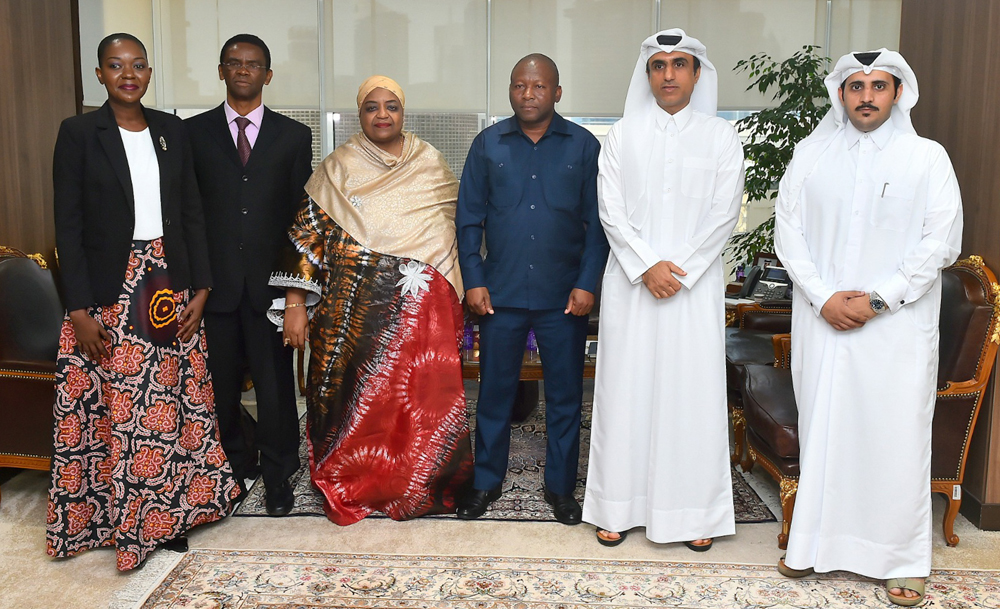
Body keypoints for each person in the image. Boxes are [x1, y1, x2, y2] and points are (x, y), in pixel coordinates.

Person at [773, 49, 962, 606]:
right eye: (856, 86)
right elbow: (789, 233)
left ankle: (902, 560)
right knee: (825, 432)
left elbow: (940, 243)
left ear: (898, 93)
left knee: (894, 440)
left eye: (879, 85)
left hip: (896, 330)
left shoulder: (927, 158)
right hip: (822, 321)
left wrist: (878, 299)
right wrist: (823, 296)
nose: (867, 96)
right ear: (841, 94)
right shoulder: (810, 156)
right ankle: (812, 546)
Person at [47, 33, 239, 571]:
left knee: (172, 401)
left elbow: (191, 210)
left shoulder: (171, 130)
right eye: (116, 65)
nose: (128, 74)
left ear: (149, 72)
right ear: (100, 74)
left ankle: (170, 515)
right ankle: (117, 522)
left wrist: (202, 287)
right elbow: (68, 224)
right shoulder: (78, 133)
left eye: (137, 65)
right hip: (109, 289)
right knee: (122, 409)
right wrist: (78, 308)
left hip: (169, 280)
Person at [275, 76, 473, 524]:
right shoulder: (337, 168)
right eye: (371, 107)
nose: (382, 115)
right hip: (350, 316)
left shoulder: (429, 163)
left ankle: (418, 486)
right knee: (356, 402)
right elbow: (304, 238)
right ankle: (354, 483)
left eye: (391, 106)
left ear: (403, 112)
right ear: (359, 114)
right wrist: (294, 303)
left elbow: (452, 232)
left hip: (419, 315)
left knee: (415, 402)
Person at [582, 29, 745, 551]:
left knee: (691, 397)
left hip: (693, 291)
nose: (669, 74)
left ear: (696, 74)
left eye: (679, 64)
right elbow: (610, 210)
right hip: (633, 286)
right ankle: (616, 506)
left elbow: (725, 213)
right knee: (625, 394)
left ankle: (694, 515)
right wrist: (647, 266)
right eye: (659, 65)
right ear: (648, 74)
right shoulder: (622, 135)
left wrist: (681, 270)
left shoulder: (721, 138)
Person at [455, 54, 608, 524]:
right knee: (494, 395)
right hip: (499, 295)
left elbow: (599, 224)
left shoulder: (584, 146)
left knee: (565, 399)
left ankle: (561, 489)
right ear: (510, 90)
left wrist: (587, 283)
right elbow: (468, 219)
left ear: (557, 92)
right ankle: (486, 482)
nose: (528, 93)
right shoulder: (487, 144)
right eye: (519, 85)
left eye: (539, 86)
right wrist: (474, 280)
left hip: (564, 298)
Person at [186, 34, 312, 516]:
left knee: (275, 387)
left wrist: (295, 293)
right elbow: (188, 214)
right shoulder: (191, 133)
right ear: (221, 71)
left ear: (268, 74)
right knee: (218, 387)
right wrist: (195, 282)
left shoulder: (293, 136)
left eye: (253, 64)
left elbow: (300, 221)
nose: (243, 70)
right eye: (234, 63)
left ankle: (279, 475)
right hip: (213, 287)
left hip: (270, 287)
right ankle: (234, 469)